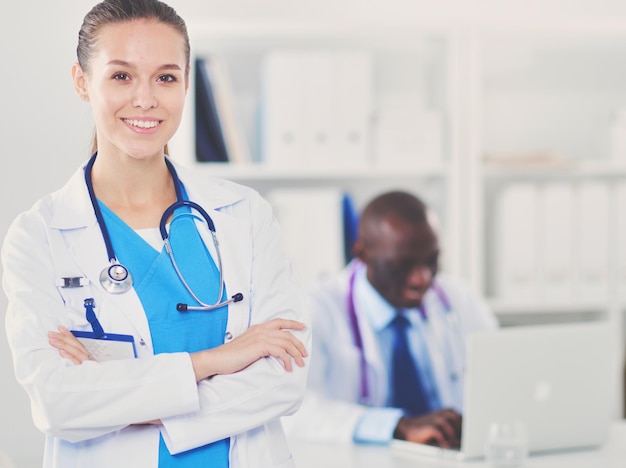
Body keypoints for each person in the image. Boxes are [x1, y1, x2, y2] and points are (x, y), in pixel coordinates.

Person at [1, 1, 310, 467]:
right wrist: (217, 360)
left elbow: (284, 377)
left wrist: (124, 397)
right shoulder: (38, 235)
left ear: (186, 83)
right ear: (83, 82)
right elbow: (57, 403)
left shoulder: (244, 214)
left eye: (166, 77)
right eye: (121, 76)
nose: (145, 98)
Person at [283, 190, 498, 448]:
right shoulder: (314, 310)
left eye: (432, 261)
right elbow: (293, 412)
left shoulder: (457, 298)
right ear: (362, 254)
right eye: (403, 265)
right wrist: (396, 426)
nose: (422, 279)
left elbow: (502, 375)